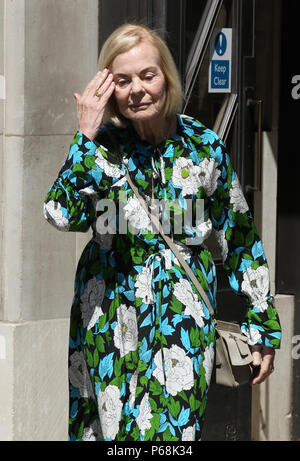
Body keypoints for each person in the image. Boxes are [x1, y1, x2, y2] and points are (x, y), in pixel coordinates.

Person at [43, 23, 281, 442]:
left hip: (181, 320)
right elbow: (61, 213)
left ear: (167, 77)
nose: (136, 89)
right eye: (122, 79)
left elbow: (239, 237)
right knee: (111, 434)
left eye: (147, 75)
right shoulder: (100, 148)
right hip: (110, 317)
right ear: (108, 87)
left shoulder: (203, 146)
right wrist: (83, 136)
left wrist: (262, 323)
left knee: (175, 434)